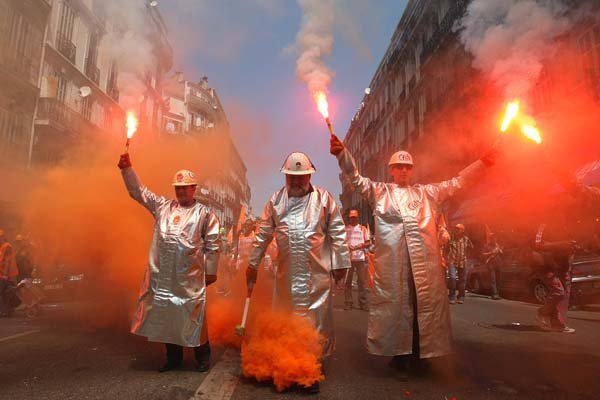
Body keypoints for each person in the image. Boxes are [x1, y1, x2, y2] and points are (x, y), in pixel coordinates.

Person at [330, 133, 498, 371]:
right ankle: (400, 356)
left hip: (424, 268)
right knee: (398, 308)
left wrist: (484, 163)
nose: (403, 171)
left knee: (422, 307)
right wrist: (341, 154)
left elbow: (457, 182)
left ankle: (422, 354)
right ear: (391, 170)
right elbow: (355, 179)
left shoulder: (427, 193)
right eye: (399, 167)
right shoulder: (379, 192)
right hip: (394, 267)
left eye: (407, 167)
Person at [246, 152, 350, 393]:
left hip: (317, 277)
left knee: (316, 324)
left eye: (301, 177)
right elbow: (262, 235)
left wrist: (341, 263)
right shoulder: (275, 201)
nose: (296, 182)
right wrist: (252, 263)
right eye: (291, 177)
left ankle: (309, 370)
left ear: (309, 176)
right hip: (286, 277)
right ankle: (288, 365)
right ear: (286, 176)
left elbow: (337, 232)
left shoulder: (325, 199)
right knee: (287, 320)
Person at [118, 153, 220, 372]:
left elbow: (213, 244)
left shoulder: (204, 214)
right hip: (163, 277)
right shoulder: (163, 207)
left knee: (194, 319)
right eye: (178, 188)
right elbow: (139, 192)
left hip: (189, 279)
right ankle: (173, 359)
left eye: (185, 187)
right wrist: (127, 170)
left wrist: (211, 271)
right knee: (168, 317)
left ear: (194, 188)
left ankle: (203, 358)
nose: (181, 191)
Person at [534, 223, 577, 334]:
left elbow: (569, 245)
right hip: (549, 267)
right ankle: (543, 313)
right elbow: (538, 245)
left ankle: (558, 324)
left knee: (564, 297)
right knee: (559, 292)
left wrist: (572, 249)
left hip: (563, 267)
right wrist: (563, 245)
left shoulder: (566, 225)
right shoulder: (543, 225)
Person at [344, 209, 371, 311]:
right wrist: (347, 246)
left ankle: (363, 304)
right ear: (349, 218)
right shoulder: (345, 229)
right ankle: (348, 303)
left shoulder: (363, 229)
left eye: (355, 217)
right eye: (351, 217)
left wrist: (360, 246)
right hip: (348, 259)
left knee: (362, 282)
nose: (353, 219)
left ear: (357, 217)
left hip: (360, 258)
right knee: (348, 282)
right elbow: (341, 243)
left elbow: (369, 243)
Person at [447, 224, 474, 304]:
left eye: (458, 229)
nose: (456, 230)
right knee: (452, 278)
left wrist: (467, 258)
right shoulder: (451, 238)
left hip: (463, 262)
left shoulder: (466, 239)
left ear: (462, 230)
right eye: (455, 228)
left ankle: (461, 296)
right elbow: (446, 248)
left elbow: (471, 248)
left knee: (462, 280)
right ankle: (452, 296)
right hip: (452, 261)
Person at [0, 230, 18, 317]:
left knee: (4, 293)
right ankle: (8, 311)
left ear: (2, 237)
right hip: (4, 275)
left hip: (8, 275)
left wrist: (5, 275)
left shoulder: (7, 246)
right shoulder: (2, 247)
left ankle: (5, 311)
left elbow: (7, 261)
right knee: (6, 293)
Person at [481, 233, 502, 300]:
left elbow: (501, 253)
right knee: (493, 279)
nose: (495, 239)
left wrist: (499, 250)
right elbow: (483, 254)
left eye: (495, 237)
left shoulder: (497, 245)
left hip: (498, 264)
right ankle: (494, 294)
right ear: (490, 238)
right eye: (493, 237)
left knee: (498, 279)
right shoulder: (487, 246)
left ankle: (498, 293)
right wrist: (491, 252)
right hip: (491, 264)